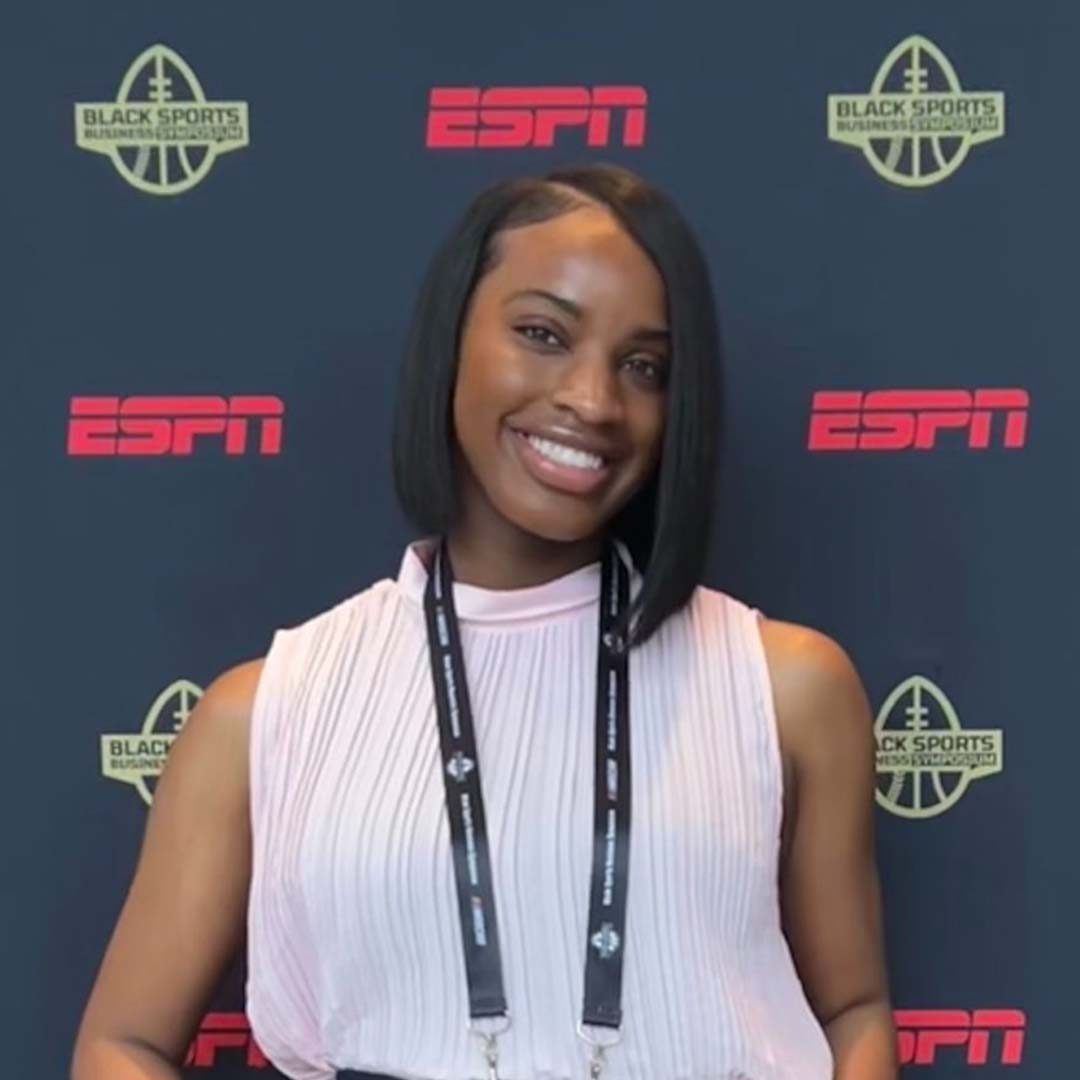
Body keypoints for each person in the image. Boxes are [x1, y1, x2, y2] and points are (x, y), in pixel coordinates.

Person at [71, 162, 897, 1080]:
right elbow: (125, 1044)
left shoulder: (785, 687)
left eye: (644, 366)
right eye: (543, 333)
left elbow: (853, 1013)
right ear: (450, 339)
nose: (593, 400)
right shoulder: (267, 713)